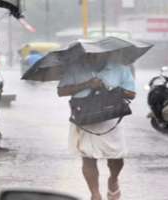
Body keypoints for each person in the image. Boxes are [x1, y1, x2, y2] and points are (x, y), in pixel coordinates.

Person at [57, 54, 136, 200]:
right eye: (88, 55)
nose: (92, 57)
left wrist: (110, 87)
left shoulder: (120, 68)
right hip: (84, 119)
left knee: (116, 157)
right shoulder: (74, 68)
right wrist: (87, 84)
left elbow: (131, 94)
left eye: (97, 55)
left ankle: (113, 179)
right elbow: (61, 91)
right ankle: (95, 194)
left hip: (110, 119)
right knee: (88, 156)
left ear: (106, 54)